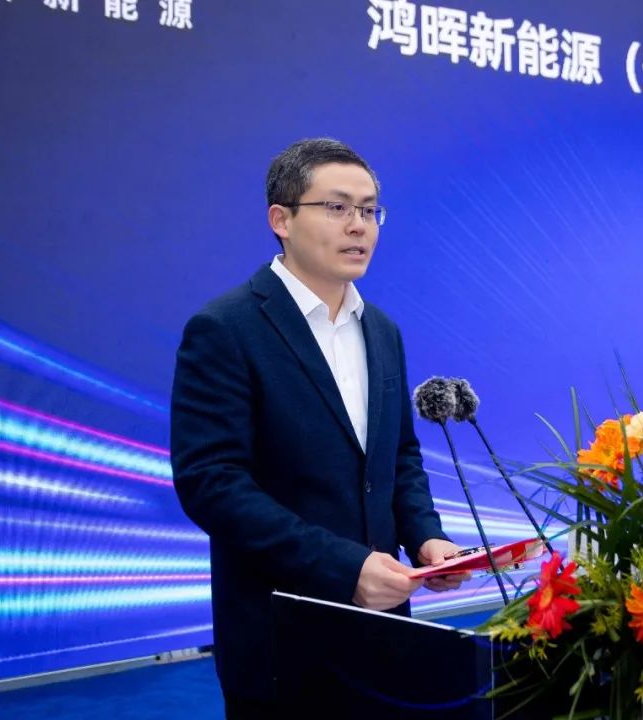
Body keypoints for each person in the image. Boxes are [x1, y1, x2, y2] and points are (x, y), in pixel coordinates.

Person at [169, 138, 468, 717]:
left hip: (386, 630)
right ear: (280, 220)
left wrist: (427, 538)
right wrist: (344, 567)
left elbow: (399, 458)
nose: (359, 226)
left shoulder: (381, 329)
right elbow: (212, 484)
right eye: (336, 207)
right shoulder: (225, 328)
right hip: (281, 636)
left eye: (369, 210)